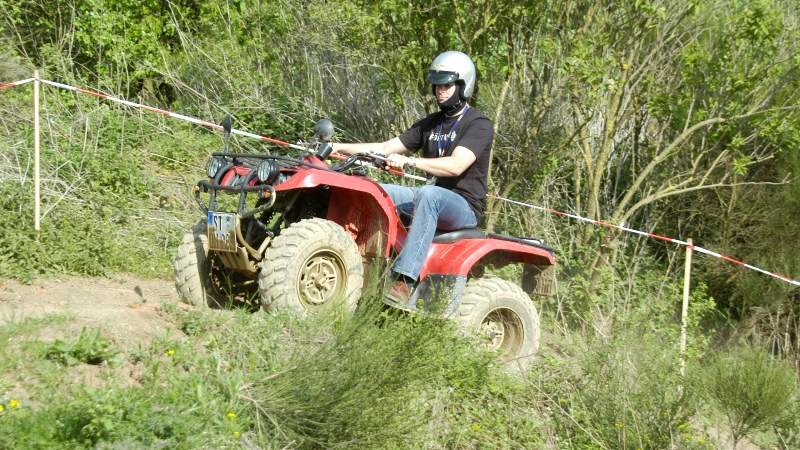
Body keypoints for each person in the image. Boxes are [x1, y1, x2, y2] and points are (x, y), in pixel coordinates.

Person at [331, 50, 494, 308]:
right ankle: (349, 255)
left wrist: (410, 161)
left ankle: (405, 280)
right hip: (432, 196)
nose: (440, 90)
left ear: (463, 85)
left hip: (464, 206)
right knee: (375, 190)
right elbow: (385, 147)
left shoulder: (478, 124)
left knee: (429, 195)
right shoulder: (431, 123)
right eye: (437, 84)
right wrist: (338, 147)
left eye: (447, 84)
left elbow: (456, 165)